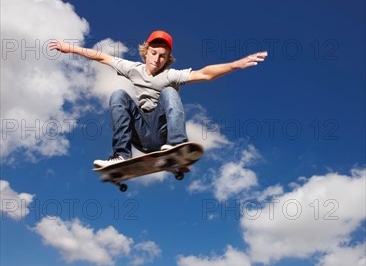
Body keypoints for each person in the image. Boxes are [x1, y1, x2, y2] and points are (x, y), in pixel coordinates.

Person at [50, 31, 267, 167]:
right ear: (145, 52)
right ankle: (121, 155)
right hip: (141, 135)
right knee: (118, 94)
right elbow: (101, 56)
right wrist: (69, 48)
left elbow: (205, 74)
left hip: (163, 135)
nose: (157, 59)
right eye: (154, 53)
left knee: (169, 91)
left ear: (167, 60)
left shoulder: (171, 75)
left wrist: (236, 64)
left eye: (163, 56)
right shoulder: (132, 68)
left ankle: (177, 145)